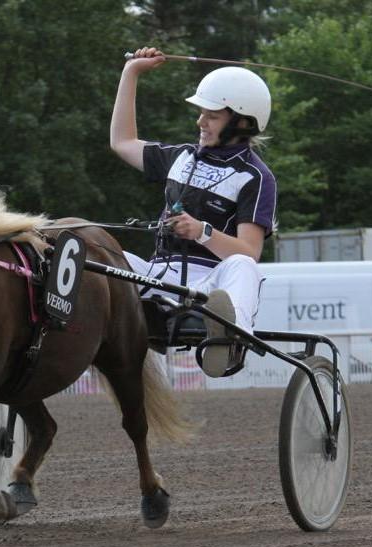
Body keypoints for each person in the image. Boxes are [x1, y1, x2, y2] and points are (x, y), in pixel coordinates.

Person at [110, 47, 276, 376]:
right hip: (158, 276)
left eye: (211, 115)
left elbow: (249, 250)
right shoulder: (180, 156)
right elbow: (122, 142)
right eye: (201, 113)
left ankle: (230, 338)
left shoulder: (256, 177)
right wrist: (131, 73)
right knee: (101, 252)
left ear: (241, 122)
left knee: (243, 265)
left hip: (211, 286)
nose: (200, 121)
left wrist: (202, 231)